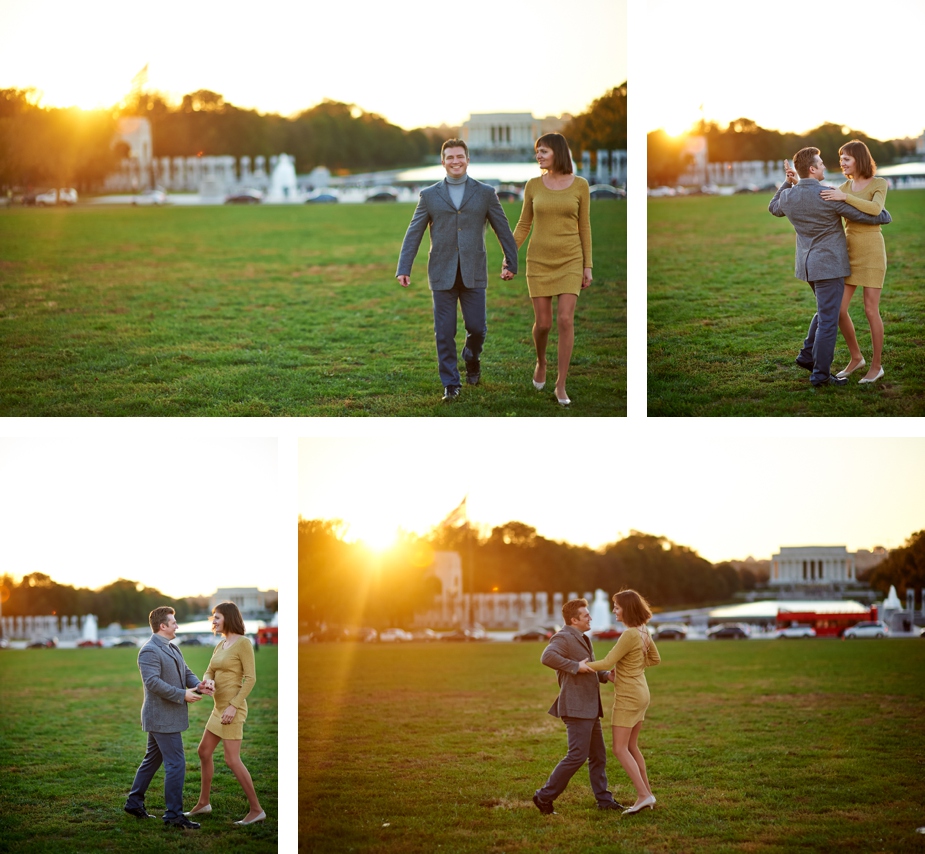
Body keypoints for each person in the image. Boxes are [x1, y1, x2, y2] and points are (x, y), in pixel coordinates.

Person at [396, 139, 519, 402]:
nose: (455, 161)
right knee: (444, 331)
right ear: (443, 161)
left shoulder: (485, 192)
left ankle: (472, 357)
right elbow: (413, 233)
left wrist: (512, 260)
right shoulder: (429, 195)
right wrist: (404, 267)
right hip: (441, 272)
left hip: (474, 271)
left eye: (460, 156)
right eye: (450, 157)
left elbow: (502, 227)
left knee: (477, 327)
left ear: (468, 159)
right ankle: (451, 383)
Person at [768, 147, 891, 387]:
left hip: (807, 267)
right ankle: (821, 375)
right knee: (828, 318)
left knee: (827, 310)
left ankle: (807, 355)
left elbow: (773, 208)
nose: (826, 166)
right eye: (821, 163)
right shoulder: (827, 195)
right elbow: (868, 216)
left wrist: (787, 183)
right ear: (812, 169)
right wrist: (884, 216)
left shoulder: (788, 196)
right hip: (830, 265)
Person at [509, 132, 592, 406]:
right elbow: (523, 225)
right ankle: (541, 361)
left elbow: (584, 227)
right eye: (537, 152)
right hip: (539, 260)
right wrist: (510, 256)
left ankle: (561, 384)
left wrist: (587, 265)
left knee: (565, 320)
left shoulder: (580, 185)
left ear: (557, 151)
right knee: (543, 324)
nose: (538, 156)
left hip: (570, 259)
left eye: (543, 151)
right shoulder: (532, 185)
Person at [124, 606, 213, 828]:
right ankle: (173, 816)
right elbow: (152, 682)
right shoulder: (149, 650)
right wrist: (182, 694)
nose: (177, 626)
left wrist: (198, 685)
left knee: (152, 759)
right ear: (162, 626)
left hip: (165, 716)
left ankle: (134, 802)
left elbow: (186, 672)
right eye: (174, 622)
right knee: (176, 764)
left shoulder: (173, 647)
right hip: (161, 717)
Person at [533, 598, 623, 815]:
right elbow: (547, 657)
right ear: (574, 620)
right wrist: (574, 666)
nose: (590, 617)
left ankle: (604, 800)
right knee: (576, 756)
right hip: (575, 707)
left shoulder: (582, 638)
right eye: (586, 615)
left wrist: (605, 675)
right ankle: (544, 796)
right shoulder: (563, 637)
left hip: (590, 708)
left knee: (598, 756)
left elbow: (586, 667)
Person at [579, 589, 660, 815]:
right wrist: (633, 668)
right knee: (631, 746)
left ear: (628, 608)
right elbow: (655, 659)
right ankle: (647, 794)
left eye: (617, 606)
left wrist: (580, 666)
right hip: (642, 692)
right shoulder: (643, 631)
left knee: (619, 748)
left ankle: (644, 795)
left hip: (629, 696)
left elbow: (607, 661)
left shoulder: (629, 634)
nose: (614, 610)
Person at [186, 601, 265, 825]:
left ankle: (256, 809)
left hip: (233, 709)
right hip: (218, 709)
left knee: (232, 760)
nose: (214, 621)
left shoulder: (243, 643)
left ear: (228, 618)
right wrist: (208, 681)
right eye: (213, 617)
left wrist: (233, 705)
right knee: (203, 751)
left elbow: (250, 678)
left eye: (217, 617)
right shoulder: (220, 644)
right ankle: (203, 803)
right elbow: (210, 669)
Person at [820, 140, 889, 384]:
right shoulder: (842, 187)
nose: (842, 163)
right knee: (839, 310)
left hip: (872, 252)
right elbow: (822, 202)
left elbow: (875, 209)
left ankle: (876, 365)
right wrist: (797, 183)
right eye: (841, 159)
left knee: (871, 311)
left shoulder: (879, 183)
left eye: (846, 159)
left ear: (859, 159)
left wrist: (845, 198)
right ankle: (856, 357)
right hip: (848, 254)